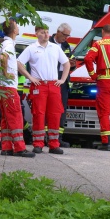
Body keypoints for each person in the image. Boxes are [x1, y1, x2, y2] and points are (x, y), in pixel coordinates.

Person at [17, 24, 70, 155]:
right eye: (42, 32)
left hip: (53, 84)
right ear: (36, 34)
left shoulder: (55, 48)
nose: (46, 34)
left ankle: (54, 144)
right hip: (39, 84)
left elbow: (66, 63)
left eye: (47, 32)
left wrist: (62, 80)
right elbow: (18, 63)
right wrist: (29, 77)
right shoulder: (31, 48)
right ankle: (38, 144)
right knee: (38, 114)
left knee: (55, 114)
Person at [0, 17, 35, 158]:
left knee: (6, 118)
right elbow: (2, 58)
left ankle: (6, 147)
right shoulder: (9, 45)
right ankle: (19, 148)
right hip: (8, 87)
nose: (18, 28)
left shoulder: (2, 43)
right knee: (16, 116)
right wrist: (6, 74)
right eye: (17, 26)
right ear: (13, 30)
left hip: (1, 86)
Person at [49, 22, 76, 148]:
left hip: (63, 81)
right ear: (58, 32)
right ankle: (46, 136)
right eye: (65, 35)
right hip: (51, 78)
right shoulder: (49, 42)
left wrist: (72, 63)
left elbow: (69, 60)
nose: (66, 38)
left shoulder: (66, 45)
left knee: (61, 109)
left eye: (68, 36)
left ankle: (58, 137)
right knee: (48, 109)